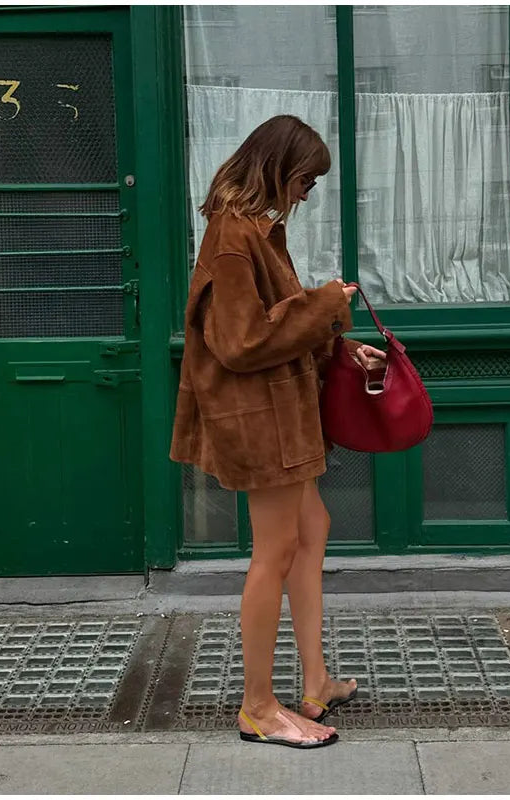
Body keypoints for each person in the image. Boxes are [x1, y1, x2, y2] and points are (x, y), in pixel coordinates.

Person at [170, 115, 386, 749]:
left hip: (285, 413)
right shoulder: (233, 238)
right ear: (278, 169)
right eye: (306, 178)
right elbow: (242, 342)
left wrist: (343, 351)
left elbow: (276, 327)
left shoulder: (259, 234)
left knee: (311, 528)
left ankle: (314, 681)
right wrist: (324, 304)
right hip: (259, 421)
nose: (308, 192)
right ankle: (258, 708)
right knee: (275, 552)